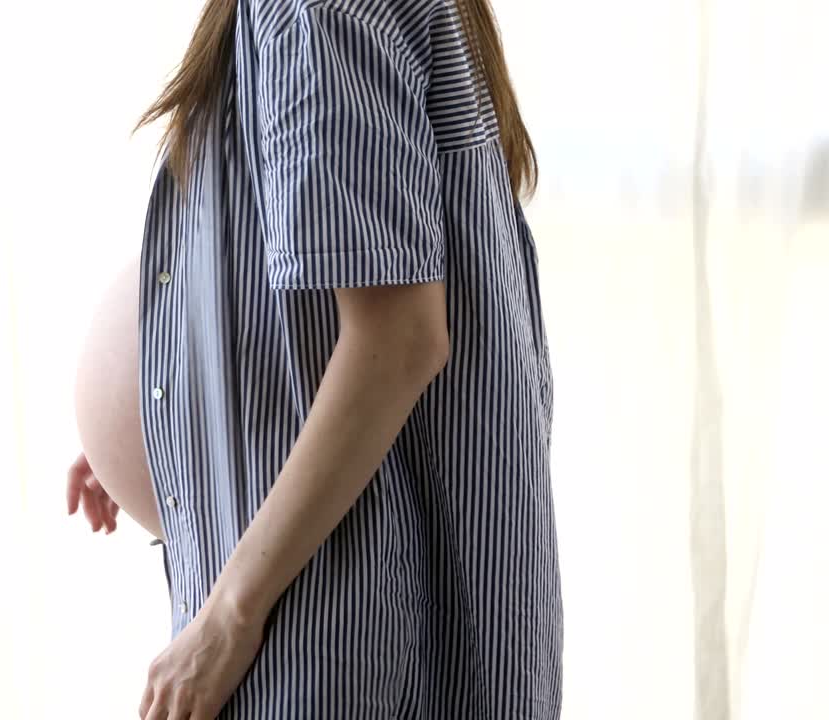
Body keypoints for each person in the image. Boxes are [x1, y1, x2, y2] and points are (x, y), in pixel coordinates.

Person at [67, 0, 561, 717]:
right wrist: (166, 407)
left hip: (335, 637)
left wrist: (226, 619)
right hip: (329, 623)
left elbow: (397, 343)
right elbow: (314, 292)